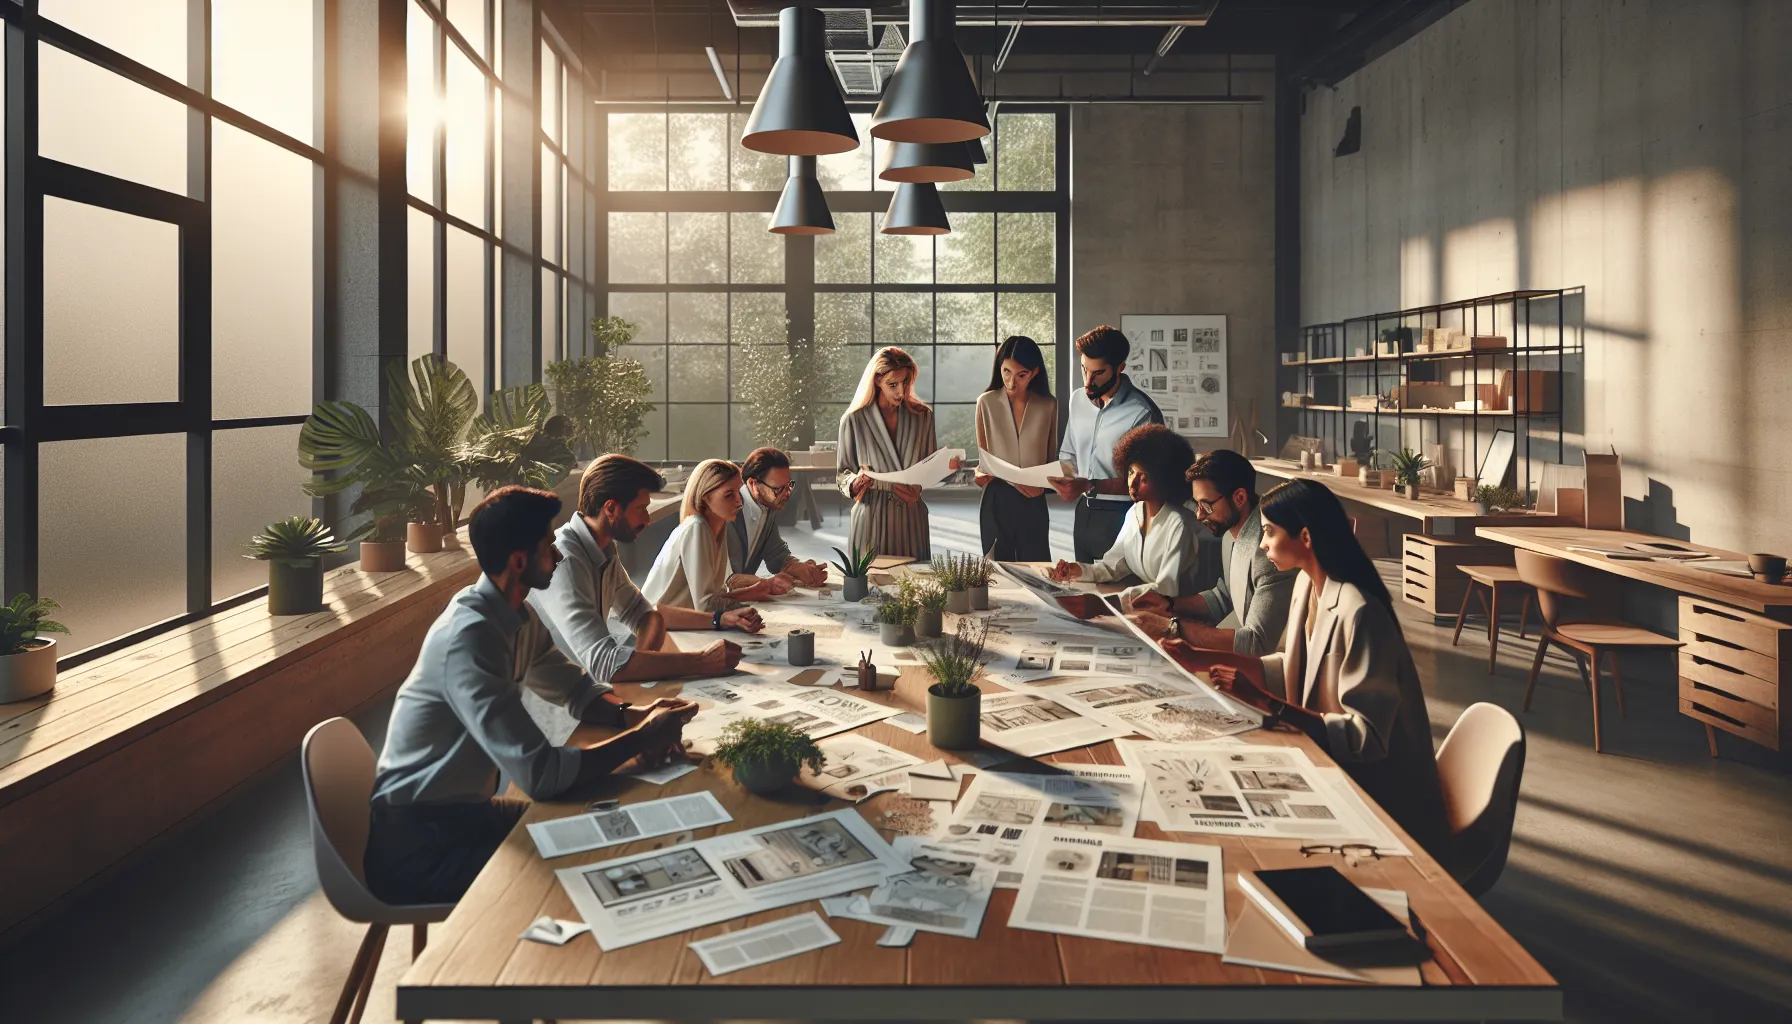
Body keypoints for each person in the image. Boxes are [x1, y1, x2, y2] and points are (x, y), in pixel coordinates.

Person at [365, 485, 702, 905]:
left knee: (608, 830)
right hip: (420, 845)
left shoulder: (515, 613)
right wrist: (642, 737)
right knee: (592, 872)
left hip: (468, 814)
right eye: (549, 547)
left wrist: (635, 715)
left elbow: (575, 688)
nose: (558, 555)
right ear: (520, 560)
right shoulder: (470, 639)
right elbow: (540, 776)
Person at [1196, 479, 1447, 855]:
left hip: (1377, 796)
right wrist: (1196, 657)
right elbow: (1295, 669)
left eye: (1269, 532)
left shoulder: (1360, 610)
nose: (1262, 544)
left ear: (1306, 536)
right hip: (1328, 767)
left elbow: (1368, 740)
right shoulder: (1304, 585)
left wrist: (1267, 702)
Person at [531, 454, 757, 685]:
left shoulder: (604, 547)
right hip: (542, 706)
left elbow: (645, 614)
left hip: (581, 691)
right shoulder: (565, 560)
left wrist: (644, 662)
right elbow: (605, 664)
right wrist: (703, 661)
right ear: (611, 508)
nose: (647, 519)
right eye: (641, 508)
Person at [1129, 449, 1297, 656]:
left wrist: (1172, 628)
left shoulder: (1268, 552)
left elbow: (1257, 643)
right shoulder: (1230, 532)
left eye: (1206, 506)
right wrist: (1169, 603)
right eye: (1196, 504)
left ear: (1239, 497)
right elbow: (1225, 595)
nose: (1199, 515)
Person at [1047, 424, 1201, 611]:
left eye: (1143, 478)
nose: (1132, 484)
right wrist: (1076, 570)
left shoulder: (1179, 524)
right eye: (1130, 473)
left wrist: (1110, 603)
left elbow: (1165, 588)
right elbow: (1113, 566)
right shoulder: (1134, 513)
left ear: (1164, 480)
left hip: (1178, 615)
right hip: (1144, 609)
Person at [1048, 326, 1165, 562]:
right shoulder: (1078, 399)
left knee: (1117, 595)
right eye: (1084, 370)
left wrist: (1088, 484)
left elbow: (1147, 484)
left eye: (1098, 373)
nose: (1088, 381)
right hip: (1083, 514)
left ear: (1120, 368)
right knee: (1085, 591)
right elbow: (1069, 453)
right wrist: (1059, 478)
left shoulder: (1142, 413)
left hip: (1123, 516)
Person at [836, 347, 959, 559]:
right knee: (871, 587)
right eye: (892, 385)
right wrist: (855, 483)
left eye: (905, 383)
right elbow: (842, 474)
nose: (901, 392)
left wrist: (936, 474)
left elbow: (929, 464)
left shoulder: (922, 417)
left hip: (911, 517)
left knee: (915, 586)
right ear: (877, 381)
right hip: (871, 517)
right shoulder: (854, 420)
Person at [642, 459, 779, 614]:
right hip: (655, 627)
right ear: (706, 497)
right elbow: (705, 605)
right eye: (729, 495)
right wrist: (746, 600)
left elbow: (714, 595)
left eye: (739, 493)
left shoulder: (718, 529)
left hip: (682, 622)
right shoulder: (696, 528)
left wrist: (752, 591)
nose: (740, 502)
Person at [973, 335, 1057, 561]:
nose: (1011, 382)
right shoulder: (986, 403)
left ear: (1035, 373)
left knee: (1037, 572)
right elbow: (984, 462)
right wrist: (980, 475)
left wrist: (1044, 486)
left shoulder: (1048, 405)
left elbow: (1052, 461)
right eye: (1006, 371)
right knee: (998, 574)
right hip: (996, 499)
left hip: (1034, 500)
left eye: (1022, 375)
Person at [727, 447, 828, 591]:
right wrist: (767, 584)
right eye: (778, 489)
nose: (787, 494)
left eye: (789, 486)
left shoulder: (767, 505)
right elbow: (726, 580)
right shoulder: (728, 510)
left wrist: (799, 568)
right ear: (753, 484)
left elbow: (776, 554)